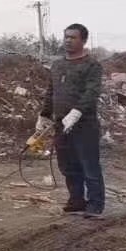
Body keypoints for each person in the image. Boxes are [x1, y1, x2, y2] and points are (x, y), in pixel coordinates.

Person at [37, 22, 106, 217]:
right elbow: (51, 91)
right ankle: (76, 199)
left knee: (89, 164)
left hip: (84, 124)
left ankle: (95, 204)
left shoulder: (92, 65)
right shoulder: (58, 65)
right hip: (61, 123)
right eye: (66, 36)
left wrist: (76, 112)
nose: (68, 40)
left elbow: (91, 92)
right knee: (67, 164)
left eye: (73, 37)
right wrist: (44, 114)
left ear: (83, 40)